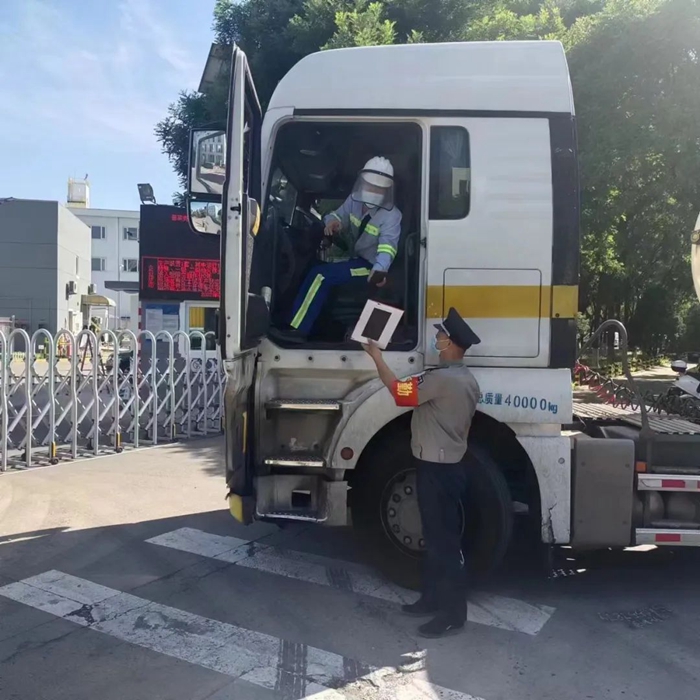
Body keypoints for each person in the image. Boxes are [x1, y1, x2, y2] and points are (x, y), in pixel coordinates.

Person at [364, 307, 481, 638]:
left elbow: (400, 393)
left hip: (438, 470)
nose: (436, 339)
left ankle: (453, 614)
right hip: (447, 466)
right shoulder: (466, 379)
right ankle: (431, 598)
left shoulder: (443, 380)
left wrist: (376, 357)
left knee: (444, 544)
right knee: (435, 537)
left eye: (441, 336)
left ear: (451, 344)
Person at [283, 157, 402, 339]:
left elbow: (387, 248)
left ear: (387, 191)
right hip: (356, 259)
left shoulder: (392, 216)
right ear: (362, 183)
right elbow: (338, 215)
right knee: (315, 267)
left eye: (379, 188)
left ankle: (297, 330)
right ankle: (312, 325)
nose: (373, 191)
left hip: (371, 266)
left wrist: (380, 270)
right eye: (370, 186)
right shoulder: (355, 200)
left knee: (321, 276)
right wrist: (332, 222)